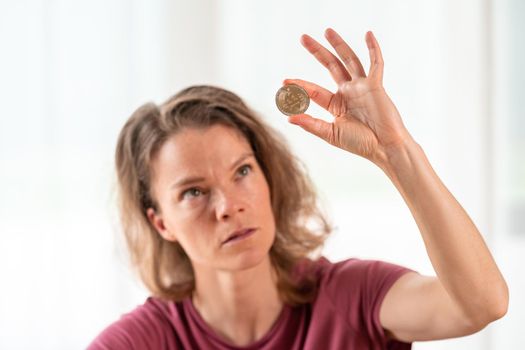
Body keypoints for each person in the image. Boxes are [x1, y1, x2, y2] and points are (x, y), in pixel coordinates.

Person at [88, 28, 508, 350]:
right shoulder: (143, 340)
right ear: (161, 222)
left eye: (242, 172)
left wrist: (396, 152)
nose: (229, 206)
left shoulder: (350, 297)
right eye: (194, 193)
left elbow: (482, 305)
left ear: (269, 178)